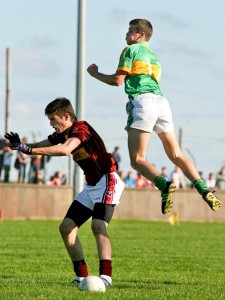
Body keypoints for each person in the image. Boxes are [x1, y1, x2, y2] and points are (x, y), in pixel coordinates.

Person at [87, 18, 221, 214]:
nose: (126, 34)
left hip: (143, 102)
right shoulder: (154, 56)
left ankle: (164, 185)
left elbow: (117, 81)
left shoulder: (130, 50)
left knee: (137, 160)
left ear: (141, 35)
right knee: (176, 154)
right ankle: (203, 188)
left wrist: (95, 73)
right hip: (162, 103)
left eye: (130, 31)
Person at [5, 97, 124, 288]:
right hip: (92, 185)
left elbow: (65, 150)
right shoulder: (62, 134)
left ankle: (106, 278)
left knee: (98, 226)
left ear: (66, 116)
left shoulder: (80, 128)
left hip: (107, 180)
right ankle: (82, 277)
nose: (51, 124)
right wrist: (23, 148)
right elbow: (40, 145)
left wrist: (28, 149)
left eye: (53, 119)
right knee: (66, 228)